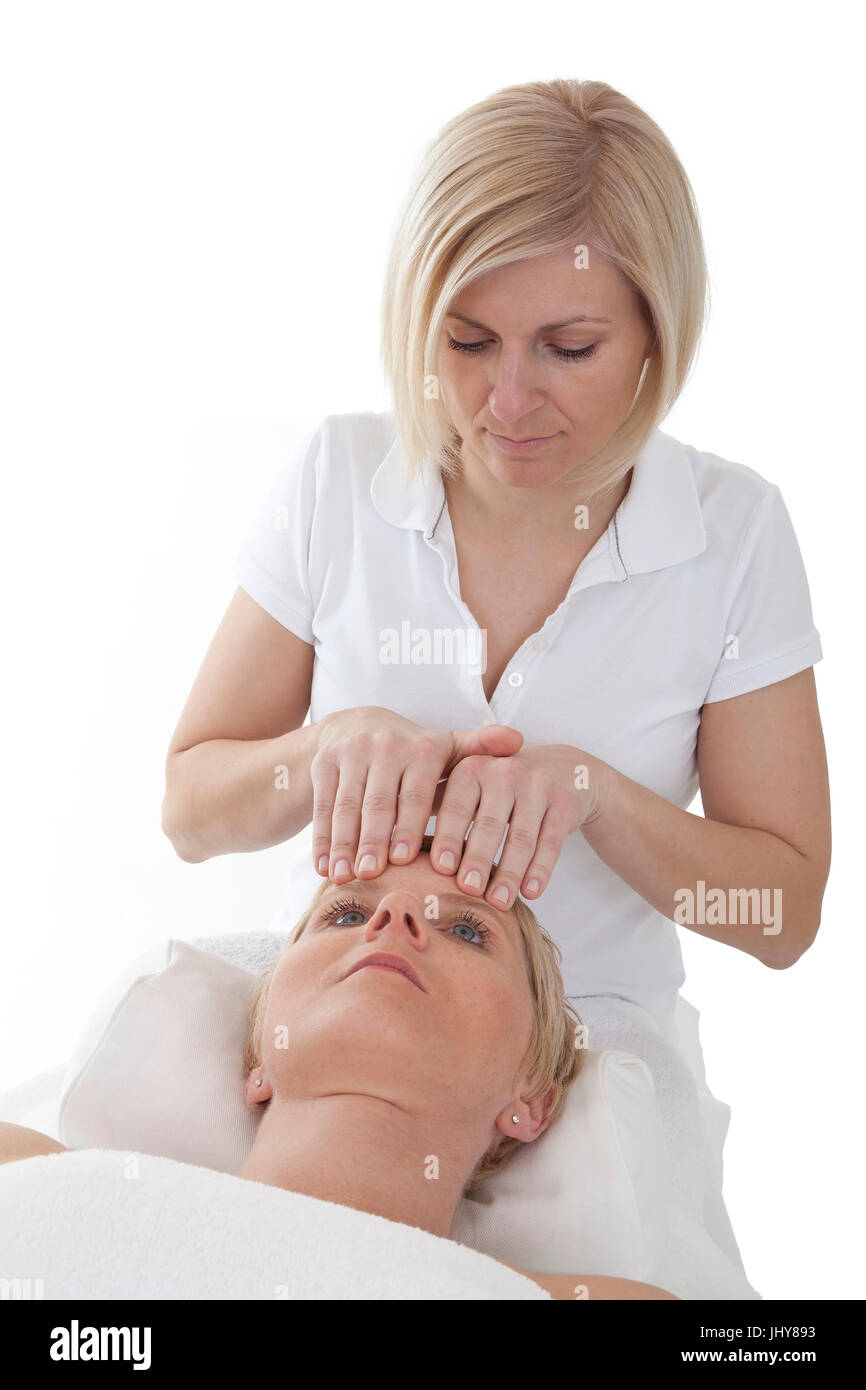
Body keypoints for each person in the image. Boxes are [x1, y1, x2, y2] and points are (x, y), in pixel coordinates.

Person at [159, 78, 831, 1272]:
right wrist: (318, 753)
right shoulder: (337, 479)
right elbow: (193, 809)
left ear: (654, 341)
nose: (506, 401)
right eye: (464, 342)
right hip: (353, 1025)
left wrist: (598, 800)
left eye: (568, 348)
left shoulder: (729, 536)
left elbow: (778, 915)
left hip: (593, 1053)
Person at [0, 840, 678, 1299]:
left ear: (532, 1097)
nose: (396, 914)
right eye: (347, 912)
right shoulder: (27, 1167)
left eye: (468, 930)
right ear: (258, 1059)